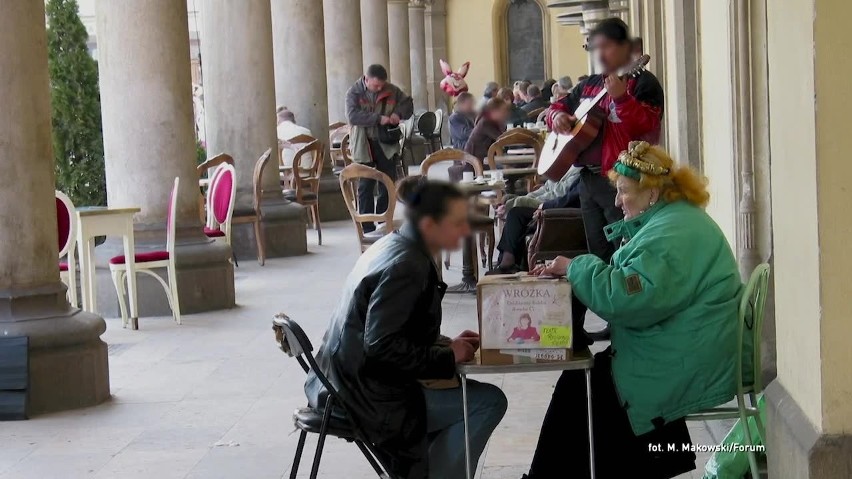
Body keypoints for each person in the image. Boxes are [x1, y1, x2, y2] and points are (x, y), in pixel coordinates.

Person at [522, 142, 743, 479]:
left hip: (687, 353)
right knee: (580, 386)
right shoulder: (672, 220)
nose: (615, 201)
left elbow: (628, 300)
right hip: (685, 341)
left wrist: (575, 267)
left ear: (652, 192)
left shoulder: (671, 233)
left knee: (586, 393)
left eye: (623, 191)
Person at [306, 177, 508, 479]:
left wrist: (443, 344)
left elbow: (392, 330)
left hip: (344, 382)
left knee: (472, 400)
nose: (463, 230)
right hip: (367, 396)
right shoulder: (406, 265)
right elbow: (380, 348)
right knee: (488, 402)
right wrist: (447, 357)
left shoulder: (394, 244)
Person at [545, 17, 664, 340]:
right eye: (594, 47)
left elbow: (647, 128)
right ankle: (605, 318)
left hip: (623, 183)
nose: (598, 54)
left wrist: (623, 99)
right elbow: (557, 106)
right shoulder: (591, 85)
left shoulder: (643, 83)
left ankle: (627, 321)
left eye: (603, 46)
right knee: (597, 250)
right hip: (589, 179)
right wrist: (556, 117)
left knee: (624, 250)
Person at [346, 64, 414, 233]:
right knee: (365, 185)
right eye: (375, 86)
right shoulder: (353, 92)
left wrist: (397, 114)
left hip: (386, 143)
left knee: (388, 181)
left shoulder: (392, 90)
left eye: (381, 86)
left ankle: (384, 219)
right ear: (366, 79)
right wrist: (378, 118)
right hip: (364, 143)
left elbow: (408, 104)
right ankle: (367, 226)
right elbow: (353, 116)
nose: (379, 89)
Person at [489, 166, 582, 274]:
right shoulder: (568, 165)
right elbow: (547, 188)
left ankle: (507, 263)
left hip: (558, 215)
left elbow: (561, 197)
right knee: (515, 214)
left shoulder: (580, 172)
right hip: (550, 208)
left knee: (515, 213)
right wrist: (521, 199)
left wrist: (542, 206)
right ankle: (508, 262)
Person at [464, 97, 510, 162]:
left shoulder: (494, 122)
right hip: (476, 160)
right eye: (503, 110)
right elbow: (502, 139)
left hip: (487, 156)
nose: (505, 113)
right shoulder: (486, 123)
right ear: (494, 111)